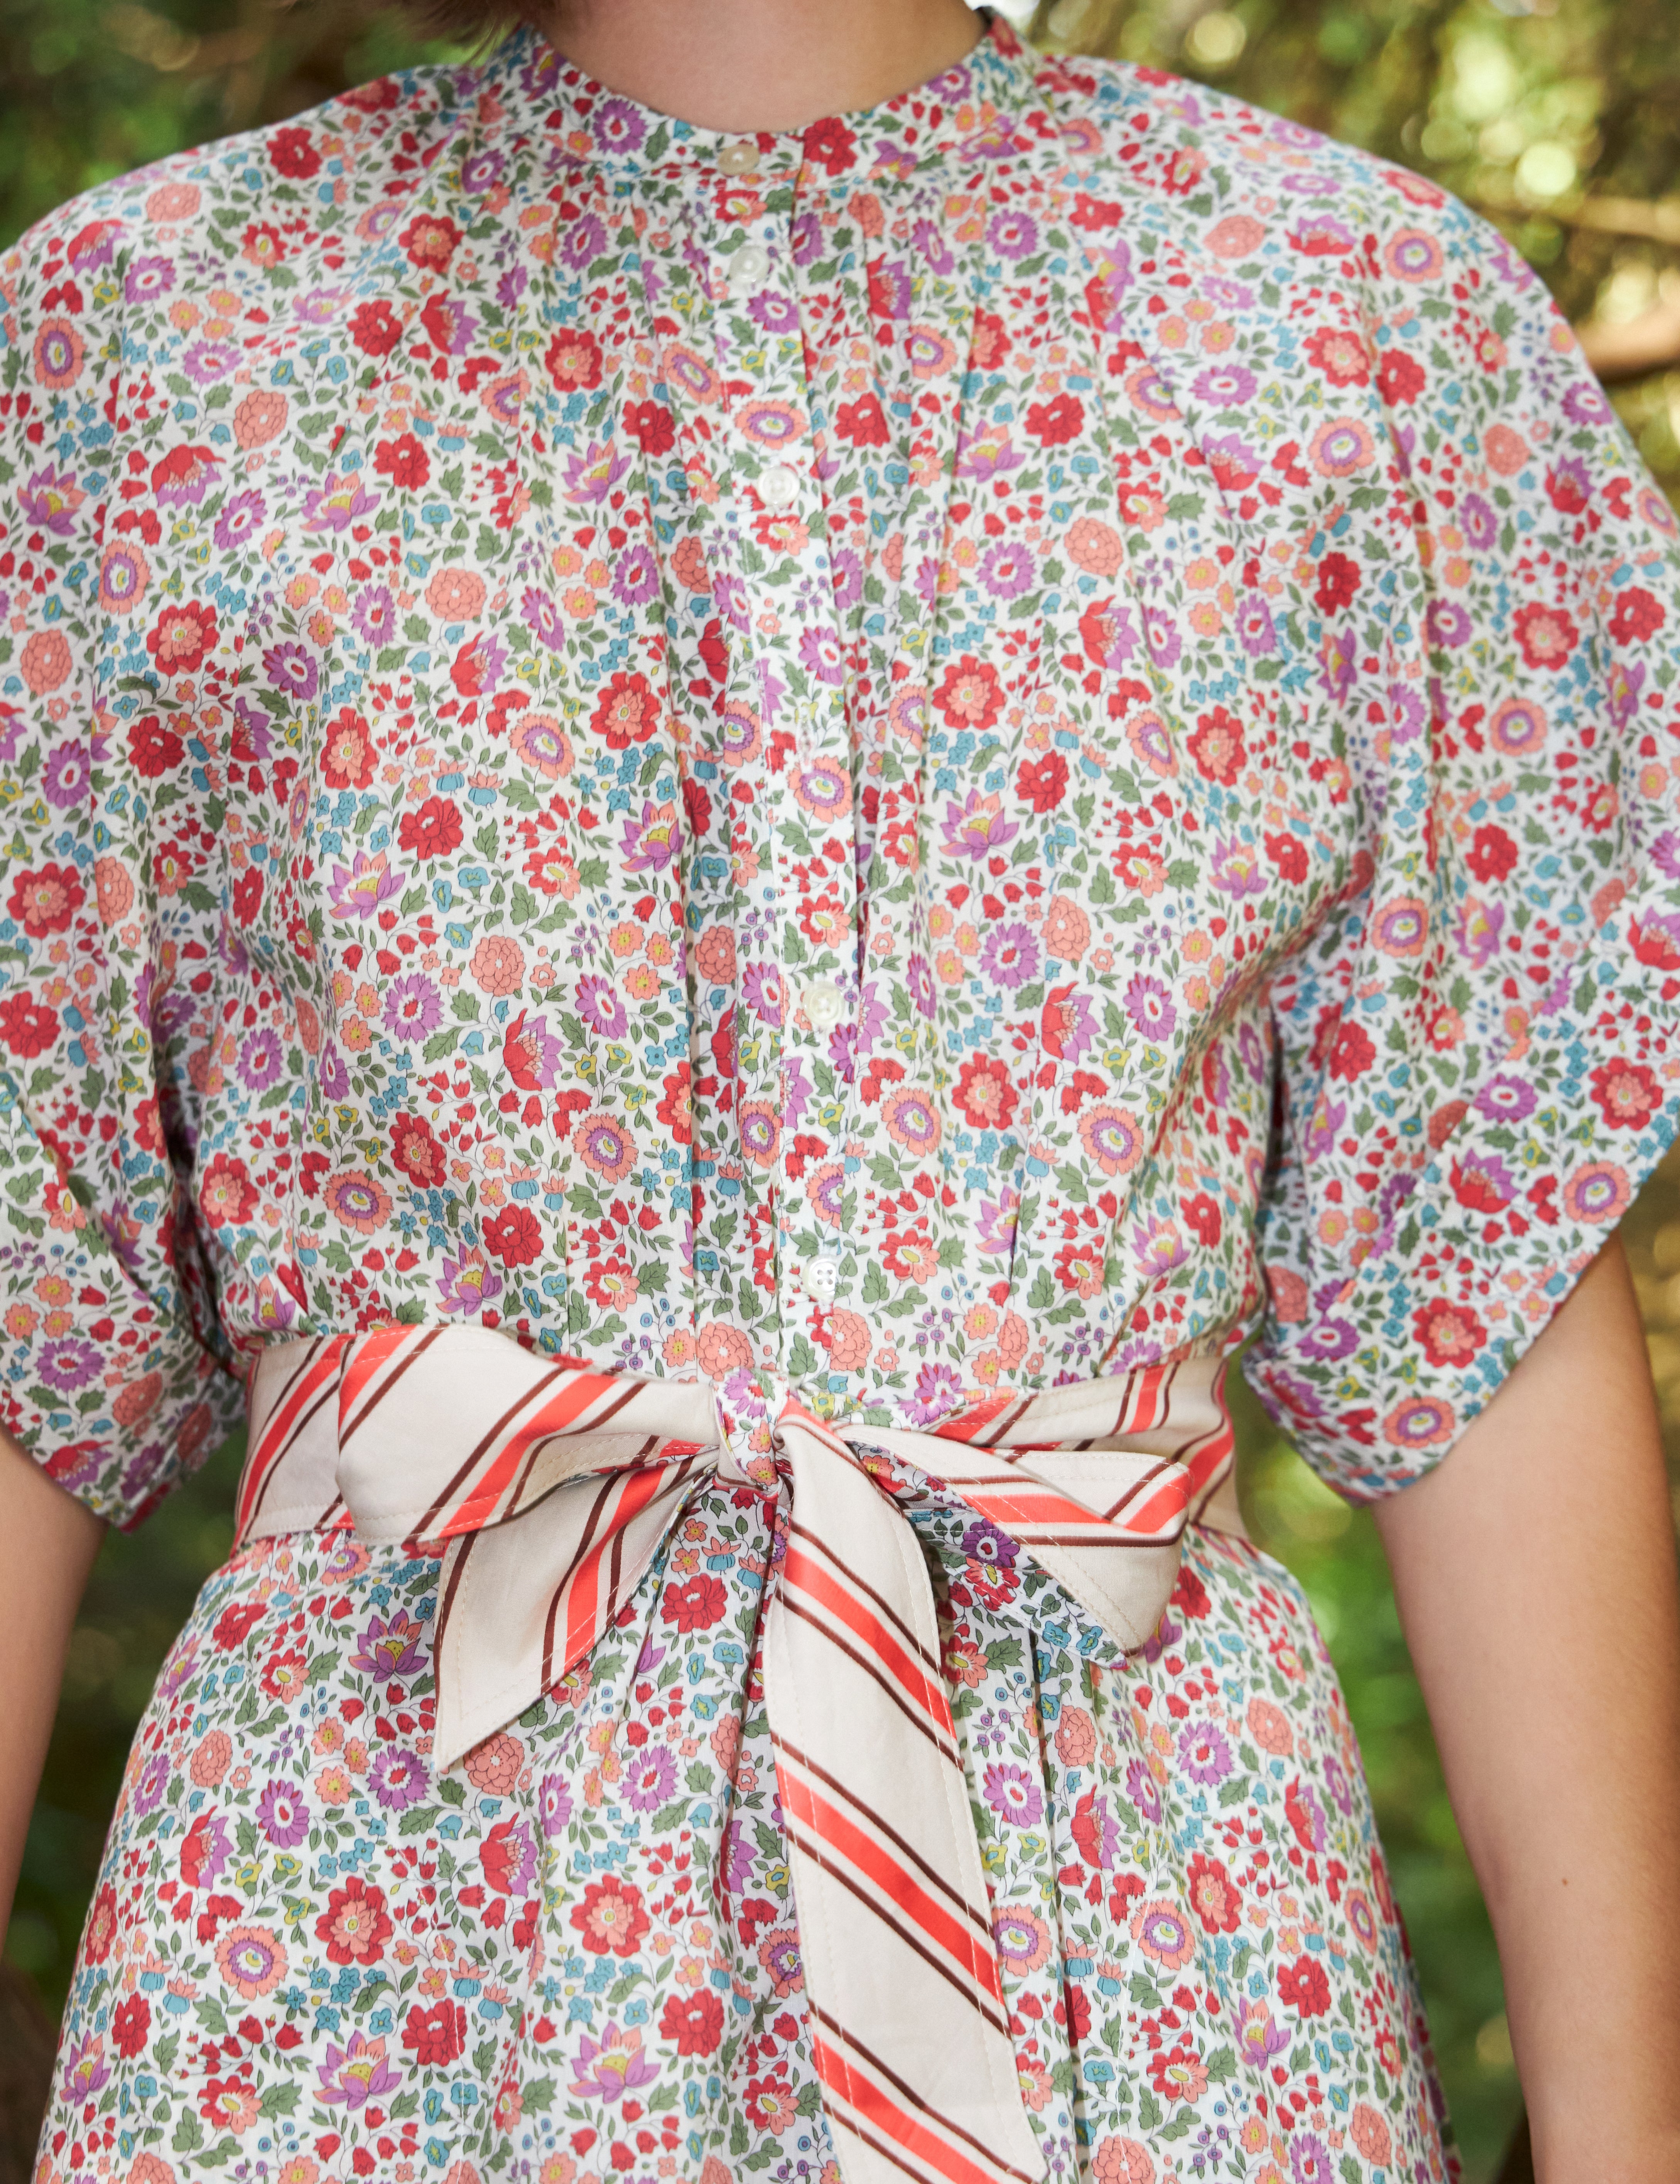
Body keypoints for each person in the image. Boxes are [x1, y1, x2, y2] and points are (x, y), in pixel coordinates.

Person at [2, 0, 1678, 2176]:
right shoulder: (137, 348)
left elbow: (1480, 1274)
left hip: (1152, 1957)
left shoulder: (1352, 324)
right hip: (355, 1960)